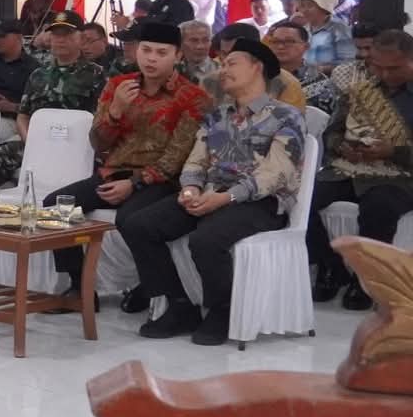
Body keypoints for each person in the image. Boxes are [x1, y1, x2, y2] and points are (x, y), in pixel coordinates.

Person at [120, 38, 304, 344]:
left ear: (257, 68)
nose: (223, 70)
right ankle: (180, 305)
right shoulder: (218, 115)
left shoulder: (286, 116)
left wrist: (227, 197)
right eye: (222, 64)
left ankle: (221, 310)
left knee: (206, 239)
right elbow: (197, 159)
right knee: (139, 225)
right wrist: (190, 188)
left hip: (259, 201)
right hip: (210, 192)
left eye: (232, 63)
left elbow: (277, 173)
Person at [42, 22, 210, 308]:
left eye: (161, 53)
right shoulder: (118, 85)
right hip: (112, 172)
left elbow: (176, 158)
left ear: (178, 56)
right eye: (146, 50)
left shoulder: (192, 97)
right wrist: (116, 111)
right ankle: (80, 287)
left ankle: (149, 288)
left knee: (130, 219)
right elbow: (98, 143)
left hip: (161, 181)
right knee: (55, 205)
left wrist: (134, 183)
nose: (151, 59)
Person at [308, 29, 413, 309]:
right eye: (377, 66)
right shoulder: (360, 90)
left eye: (393, 68)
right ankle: (331, 266)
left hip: (401, 177)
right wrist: (342, 145)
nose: (384, 74)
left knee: (379, 207)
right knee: (299, 199)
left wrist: (394, 151)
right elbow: (332, 132)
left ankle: (365, 279)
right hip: (349, 169)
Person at [0, 11, 106, 187]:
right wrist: (31, 141)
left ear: (81, 38)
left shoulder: (96, 74)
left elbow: (103, 118)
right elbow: (23, 116)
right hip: (39, 143)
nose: (60, 40)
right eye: (56, 34)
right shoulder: (38, 75)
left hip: (79, 146)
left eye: (67, 34)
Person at [212, 22, 306, 109]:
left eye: (235, 54)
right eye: (224, 54)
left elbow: (290, 119)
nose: (228, 60)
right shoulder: (212, 81)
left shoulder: (286, 83)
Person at [267, 20, 335, 112]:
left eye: (289, 41)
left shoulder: (320, 82)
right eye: (275, 41)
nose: (280, 47)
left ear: (306, 47)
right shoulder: (259, 77)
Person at [295, 0, 357, 67]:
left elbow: (349, 61)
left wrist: (324, 69)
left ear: (324, 8)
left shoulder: (340, 29)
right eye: (303, 6)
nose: (304, 10)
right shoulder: (304, 30)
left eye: (310, 6)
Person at [178, 20, 217, 87]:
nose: (200, 46)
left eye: (206, 40)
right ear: (181, 43)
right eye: (194, 41)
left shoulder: (222, 72)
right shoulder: (171, 71)